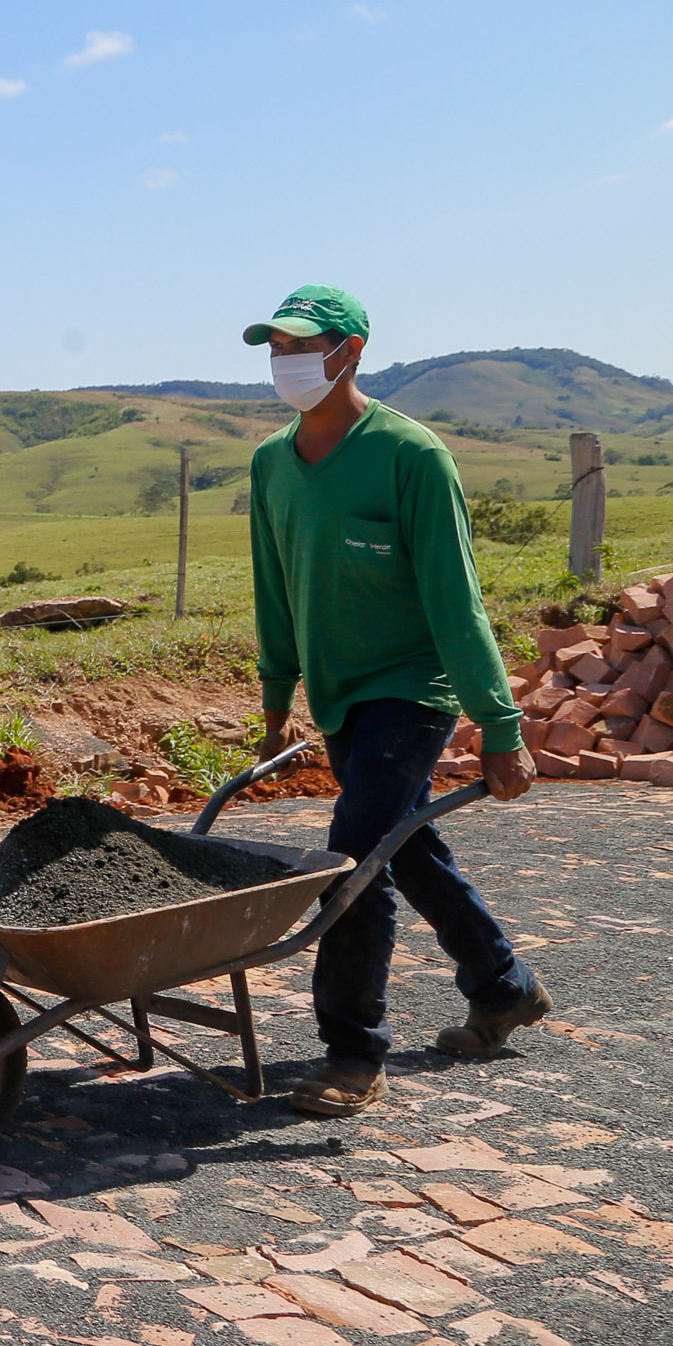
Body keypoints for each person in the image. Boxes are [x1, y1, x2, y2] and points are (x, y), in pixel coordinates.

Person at [243, 284, 545, 1118]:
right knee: (402, 845)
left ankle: (352, 1053)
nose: (286, 361)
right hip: (340, 691)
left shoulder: (412, 456)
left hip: (412, 687)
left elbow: (457, 599)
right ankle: (503, 986)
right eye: (275, 347)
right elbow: (274, 586)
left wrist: (499, 725)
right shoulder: (273, 462)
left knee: (351, 859)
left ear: (352, 350)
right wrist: (277, 695)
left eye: (302, 345)